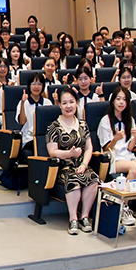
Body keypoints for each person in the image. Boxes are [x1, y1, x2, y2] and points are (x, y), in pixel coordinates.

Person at [46, 88, 97, 235]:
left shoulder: (83, 125)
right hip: (62, 166)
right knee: (73, 179)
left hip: (80, 165)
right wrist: (69, 153)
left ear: (76, 103)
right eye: (64, 103)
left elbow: (89, 148)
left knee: (93, 178)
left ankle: (84, 217)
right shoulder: (53, 127)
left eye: (71, 102)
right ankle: (73, 218)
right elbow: (52, 152)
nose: (68, 106)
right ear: (60, 105)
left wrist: (84, 164)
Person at [98, 87, 136, 226]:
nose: (121, 102)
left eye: (124, 99)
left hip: (127, 155)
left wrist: (135, 137)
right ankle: (124, 208)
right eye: (118, 99)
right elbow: (106, 148)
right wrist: (115, 138)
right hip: (113, 158)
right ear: (113, 101)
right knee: (134, 166)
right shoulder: (106, 120)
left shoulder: (130, 120)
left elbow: (130, 148)